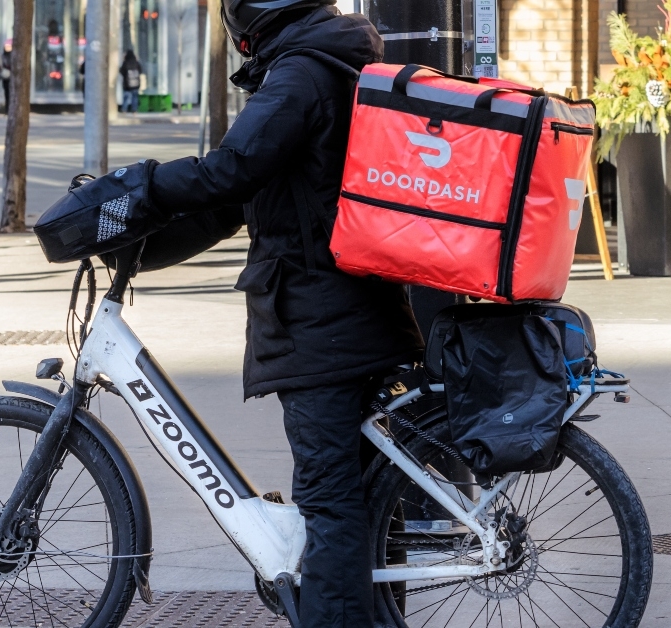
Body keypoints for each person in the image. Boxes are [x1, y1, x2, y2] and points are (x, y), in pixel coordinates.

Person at [146, 1, 421, 625]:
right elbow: (250, 192)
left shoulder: (299, 74)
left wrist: (143, 184)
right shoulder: (332, 60)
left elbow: (232, 168)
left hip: (320, 321)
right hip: (355, 309)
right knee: (365, 499)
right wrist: (151, 235)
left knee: (331, 504)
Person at [1, 39, 13, 113]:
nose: (7, 48)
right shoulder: (3, 56)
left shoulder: (14, 55)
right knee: (7, 93)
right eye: (6, 46)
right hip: (5, 78)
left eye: (9, 46)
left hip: (13, 77)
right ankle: (7, 109)